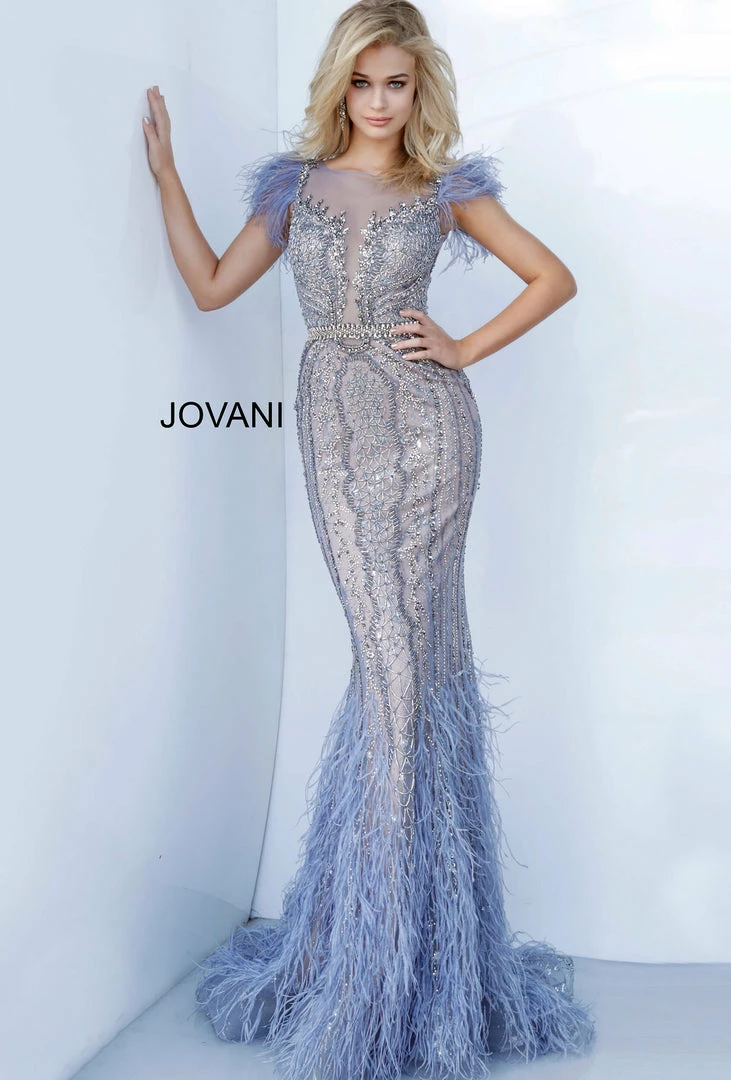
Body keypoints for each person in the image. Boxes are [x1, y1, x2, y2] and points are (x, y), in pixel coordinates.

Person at [142, 2, 597, 1078]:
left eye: (397, 83)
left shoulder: (445, 188)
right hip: (336, 433)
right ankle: (364, 954)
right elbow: (211, 288)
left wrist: (461, 346)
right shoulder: (291, 187)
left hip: (432, 432)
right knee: (388, 667)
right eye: (363, 82)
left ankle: (399, 966)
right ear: (338, 86)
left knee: (415, 670)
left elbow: (552, 277)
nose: (380, 102)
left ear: (418, 87)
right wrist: (165, 180)